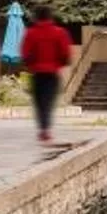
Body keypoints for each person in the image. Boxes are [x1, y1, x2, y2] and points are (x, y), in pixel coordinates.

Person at [18, 8, 76, 145]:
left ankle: (43, 127)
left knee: (39, 102)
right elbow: (66, 54)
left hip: (37, 73)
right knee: (48, 101)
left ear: (36, 18)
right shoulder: (60, 33)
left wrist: (30, 65)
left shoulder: (30, 33)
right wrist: (60, 63)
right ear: (51, 17)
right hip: (52, 73)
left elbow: (25, 54)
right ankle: (46, 128)